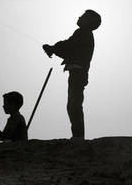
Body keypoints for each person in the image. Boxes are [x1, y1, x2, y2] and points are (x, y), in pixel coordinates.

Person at [43, 10, 101, 140]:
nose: (80, 17)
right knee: (73, 105)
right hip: (77, 73)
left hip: (78, 73)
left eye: (84, 16)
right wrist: (54, 49)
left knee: (74, 105)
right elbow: (69, 50)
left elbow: (68, 46)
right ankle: (77, 135)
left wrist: (53, 48)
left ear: (89, 22)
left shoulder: (83, 33)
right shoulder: (84, 35)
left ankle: (78, 137)